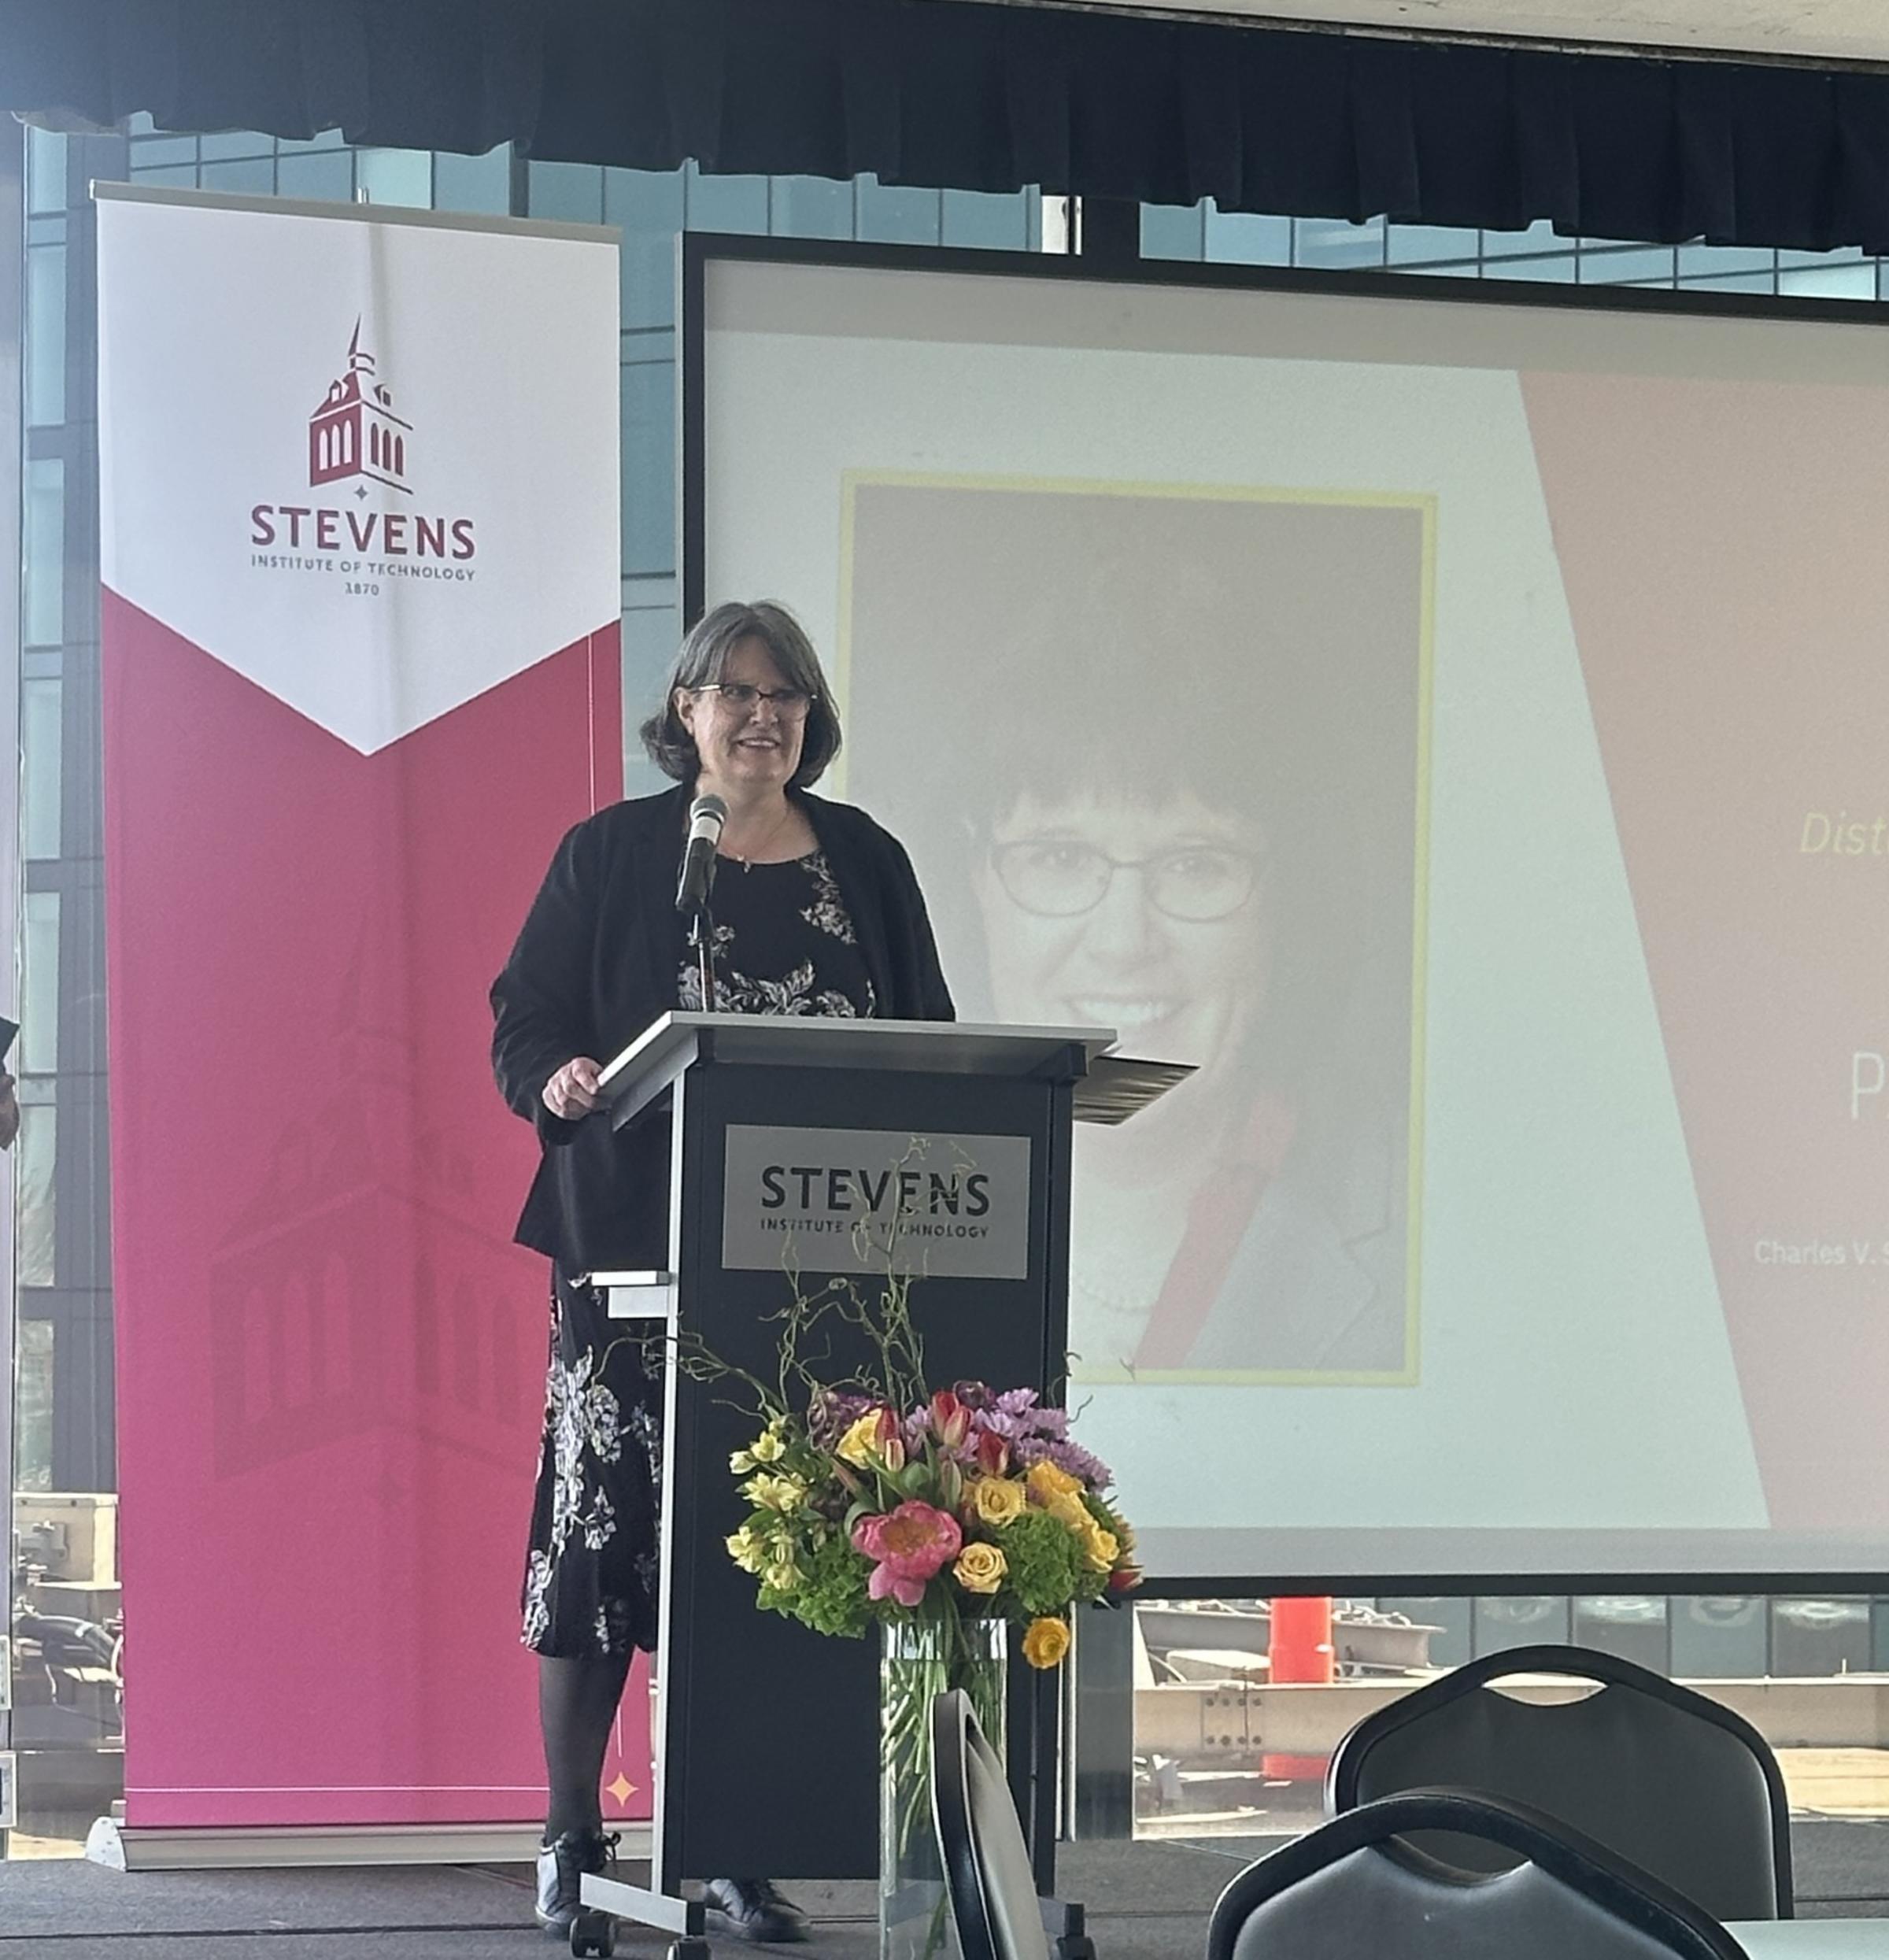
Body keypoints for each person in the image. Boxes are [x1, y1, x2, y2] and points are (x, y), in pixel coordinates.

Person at [490, 601, 953, 1941]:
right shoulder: (618, 855)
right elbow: (525, 1016)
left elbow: (925, 1031)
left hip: (823, 1267)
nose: (762, 717)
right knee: (602, 1544)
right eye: (735, 693)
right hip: (632, 1250)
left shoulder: (863, 859)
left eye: (786, 697)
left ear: (811, 720)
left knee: (779, 1555)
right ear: (684, 710)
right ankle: (573, 1840)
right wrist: (560, 1081)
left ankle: (738, 1837)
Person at [843, 488, 1422, 1379]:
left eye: (1196, 865)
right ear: (976, 884)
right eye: (1060, 858)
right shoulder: (857, 1208)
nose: (1122, 944)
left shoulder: (1425, 1221)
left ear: (1288, 899)